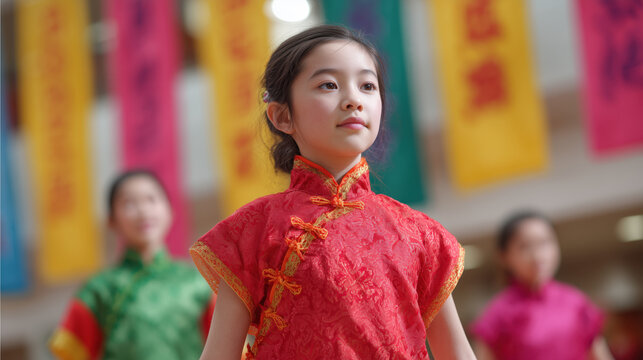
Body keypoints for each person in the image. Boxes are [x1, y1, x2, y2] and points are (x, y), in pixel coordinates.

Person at [189, 25, 475, 360]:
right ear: (282, 115)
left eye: (367, 86)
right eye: (329, 85)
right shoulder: (252, 229)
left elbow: (457, 353)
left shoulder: (420, 234)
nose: (354, 99)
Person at [50, 170, 215, 360]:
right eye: (129, 204)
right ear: (111, 221)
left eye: (151, 199)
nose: (143, 211)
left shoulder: (199, 284)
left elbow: (228, 351)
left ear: (170, 210)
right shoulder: (98, 291)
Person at [470, 211, 613, 360]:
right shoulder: (496, 315)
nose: (537, 255)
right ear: (504, 256)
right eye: (525, 247)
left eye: (544, 243)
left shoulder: (577, 302)